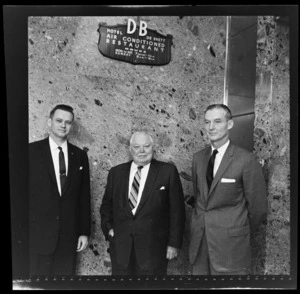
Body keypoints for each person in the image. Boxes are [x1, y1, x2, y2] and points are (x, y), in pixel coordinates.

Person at [189, 104, 267, 275]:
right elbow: (200, 198)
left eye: (217, 121)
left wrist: (238, 231)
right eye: (207, 122)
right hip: (200, 244)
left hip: (231, 248)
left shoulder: (246, 160)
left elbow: (258, 208)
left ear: (230, 124)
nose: (211, 127)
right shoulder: (198, 158)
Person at [100, 131, 186, 275]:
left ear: (153, 148)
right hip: (121, 248)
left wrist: (174, 244)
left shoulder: (167, 171)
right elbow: (106, 206)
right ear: (130, 149)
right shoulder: (116, 173)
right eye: (136, 146)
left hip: (154, 251)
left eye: (146, 146)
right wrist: (109, 229)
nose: (141, 151)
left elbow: (177, 211)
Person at [29, 104, 91, 276]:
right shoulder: (30, 151)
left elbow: (84, 197)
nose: (63, 125)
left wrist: (84, 232)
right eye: (59, 120)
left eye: (68, 122)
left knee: (63, 284)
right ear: (49, 122)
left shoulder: (80, 156)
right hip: (37, 236)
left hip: (68, 236)